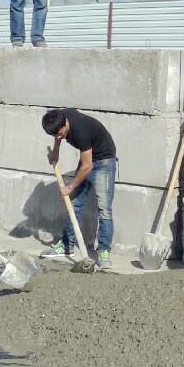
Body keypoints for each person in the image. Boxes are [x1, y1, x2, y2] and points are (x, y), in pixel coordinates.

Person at [42, 108, 118, 269]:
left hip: (104, 160)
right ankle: (67, 246)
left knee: (104, 208)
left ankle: (104, 251)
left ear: (66, 124)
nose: (59, 137)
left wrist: (70, 186)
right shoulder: (58, 118)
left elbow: (88, 166)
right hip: (88, 160)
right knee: (75, 204)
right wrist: (56, 152)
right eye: (55, 134)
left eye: (61, 133)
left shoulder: (80, 131)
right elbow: (59, 136)